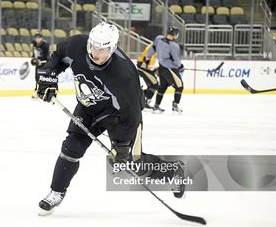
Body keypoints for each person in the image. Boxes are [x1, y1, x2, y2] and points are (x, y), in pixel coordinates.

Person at [35, 22, 186, 216]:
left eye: (102, 49)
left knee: (133, 162)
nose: (95, 53)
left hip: (120, 115)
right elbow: (58, 56)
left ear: (112, 48)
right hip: (89, 107)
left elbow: (131, 114)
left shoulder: (123, 75)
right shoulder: (77, 45)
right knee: (71, 147)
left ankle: (173, 171)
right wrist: (49, 76)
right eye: (93, 46)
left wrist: (122, 147)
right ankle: (56, 192)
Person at [146, 26, 184, 113]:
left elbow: (152, 49)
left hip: (161, 68)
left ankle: (156, 105)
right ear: (174, 34)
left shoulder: (159, 38)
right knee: (179, 86)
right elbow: (176, 59)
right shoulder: (174, 45)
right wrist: (180, 66)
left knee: (162, 87)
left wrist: (148, 57)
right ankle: (175, 105)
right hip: (170, 69)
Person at [136, 43, 159, 109]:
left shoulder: (155, 47)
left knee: (152, 86)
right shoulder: (153, 47)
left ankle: (140, 98)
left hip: (145, 68)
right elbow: (147, 59)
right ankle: (145, 101)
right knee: (154, 85)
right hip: (143, 68)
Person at [31, 32, 50, 98]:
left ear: (41, 38)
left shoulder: (45, 45)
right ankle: (37, 91)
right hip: (38, 64)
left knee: (42, 78)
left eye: (39, 38)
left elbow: (47, 55)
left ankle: (43, 91)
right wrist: (33, 58)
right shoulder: (34, 44)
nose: (37, 39)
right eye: (36, 38)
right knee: (37, 78)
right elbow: (34, 52)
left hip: (43, 63)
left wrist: (42, 61)